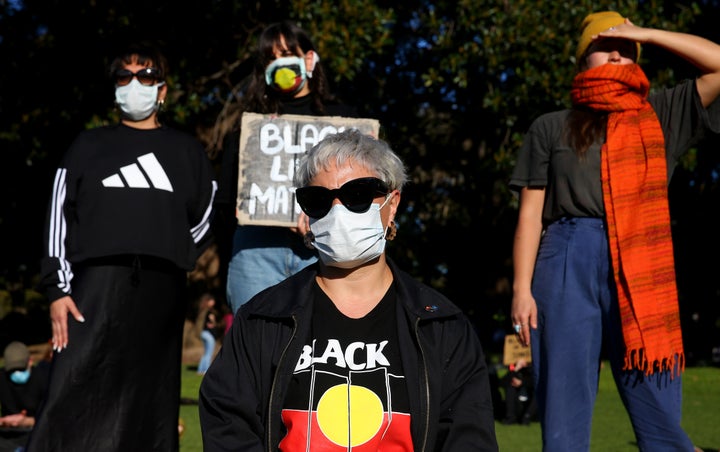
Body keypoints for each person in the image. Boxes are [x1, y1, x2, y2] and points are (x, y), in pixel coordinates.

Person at [199, 130, 499, 451]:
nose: (338, 211)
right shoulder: (262, 319)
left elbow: (468, 438)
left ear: (393, 204)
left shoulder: (443, 326)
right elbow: (228, 425)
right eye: (319, 199)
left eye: (358, 194)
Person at [509, 10, 720, 452]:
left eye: (627, 49)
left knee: (659, 411)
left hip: (642, 264)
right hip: (567, 256)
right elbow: (531, 214)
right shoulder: (551, 126)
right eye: (605, 45)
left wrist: (644, 33)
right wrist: (521, 289)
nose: (617, 53)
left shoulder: (663, 113)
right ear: (582, 58)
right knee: (562, 413)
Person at [27, 41, 217, 451]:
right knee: (74, 383)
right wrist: (57, 290)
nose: (136, 84)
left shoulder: (186, 151)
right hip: (93, 283)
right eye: (125, 76)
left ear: (162, 90)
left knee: (150, 393)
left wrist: (181, 254)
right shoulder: (88, 145)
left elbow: (208, 213)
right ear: (115, 87)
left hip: (162, 286)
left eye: (146, 76)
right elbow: (59, 216)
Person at [214, 20, 358, 314]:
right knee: (255, 347)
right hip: (256, 252)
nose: (280, 64)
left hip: (325, 250)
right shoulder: (249, 126)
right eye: (271, 58)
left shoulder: (344, 120)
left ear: (309, 58)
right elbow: (227, 200)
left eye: (286, 53)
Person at [0, 342, 49, 452]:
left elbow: (52, 418)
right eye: (12, 370)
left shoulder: (43, 379)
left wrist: (26, 421)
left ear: (30, 362)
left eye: (21, 369)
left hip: (36, 431)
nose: (17, 373)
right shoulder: (2, 378)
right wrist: (3, 422)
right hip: (8, 433)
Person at [500, 358, 536, 425]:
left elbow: (535, 382)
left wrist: (522, 382)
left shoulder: (533, 370)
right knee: (510, 388)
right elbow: (503, 382)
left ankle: (526, 417)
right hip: (517, 404)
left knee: (538, 393)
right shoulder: (514, 369)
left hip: (528, 405)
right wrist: (516, 368)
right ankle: (510, 417)